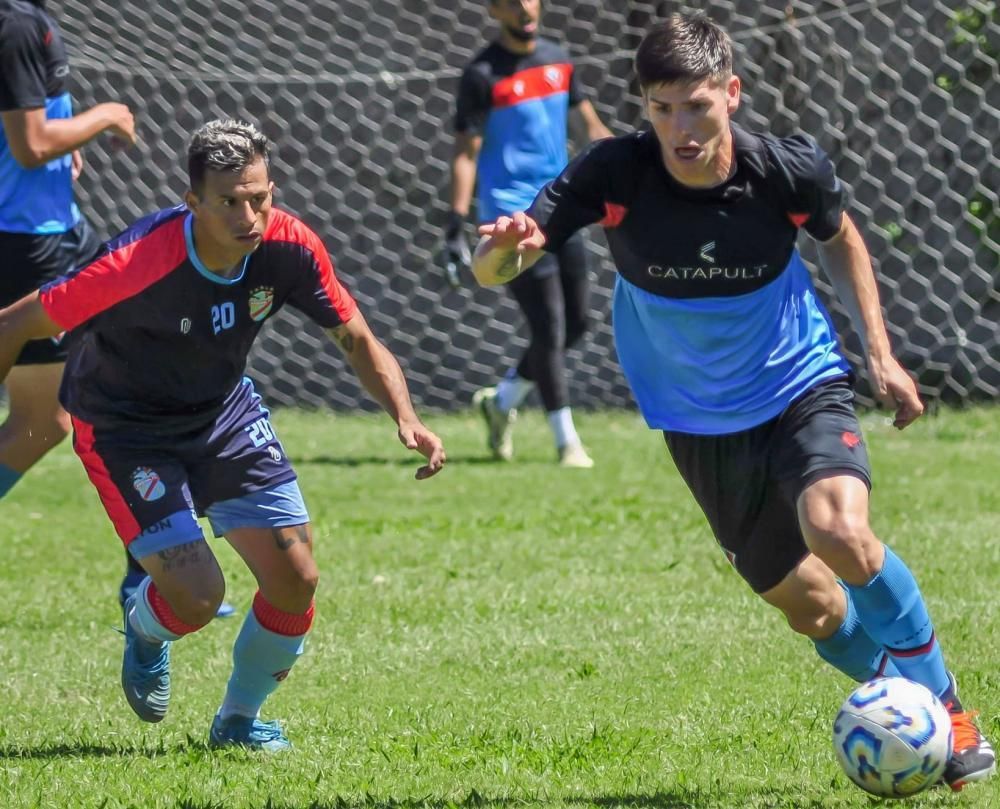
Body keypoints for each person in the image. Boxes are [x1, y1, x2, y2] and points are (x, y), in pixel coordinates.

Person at [471, 13, 994, 791]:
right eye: (661, 109)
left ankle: (946, 709)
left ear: (732, 93)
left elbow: (841, 237)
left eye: (697, 106)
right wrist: (500, 251)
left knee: (839, 530)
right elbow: (493, 270)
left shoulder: (783, 170)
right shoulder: (613, 174)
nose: (680, 129)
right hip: (696, 420)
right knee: (813, 608)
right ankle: (901, 703)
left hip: (797, 382)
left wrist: (879, 354)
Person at [0, 118, 446, 751]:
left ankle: (238, 722)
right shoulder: (135, 263)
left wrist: (406, 416)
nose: (249, 216)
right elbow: (15, 323)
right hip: (126, 429)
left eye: (259, 197)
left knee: (296, 578)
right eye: (230, 202)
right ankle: (146, 627)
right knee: (199, 597)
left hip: (223, 415)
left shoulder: (290, 246)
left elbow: (356, 338)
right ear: (193, 201)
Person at [0, 2, 192, 614]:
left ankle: (155, 565)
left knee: (137, 375)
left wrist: (63, 140)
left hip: (57, 231)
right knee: (46, 419)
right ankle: (152, 569)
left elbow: (29, 132)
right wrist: (105, 115)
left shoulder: (26, 17)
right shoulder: (15, 23)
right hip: (29, 244)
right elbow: (30, 144)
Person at [447, 0, 612, 468]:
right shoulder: (481, 74)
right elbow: (465, 154)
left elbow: (591, 128)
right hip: (510, 221)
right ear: (494, 10)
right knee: (549, 327)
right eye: (512, 2)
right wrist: (454, 224)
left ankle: (501, 402)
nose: (525, 8)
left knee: (577, 323)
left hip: (559, 210)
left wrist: (634, 170)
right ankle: (567, 443)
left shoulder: (559, 60)